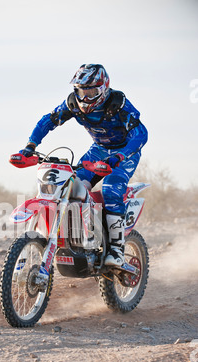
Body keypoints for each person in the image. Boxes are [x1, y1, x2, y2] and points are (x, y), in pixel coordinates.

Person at [20, 64, 148, 267]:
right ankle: (79, 235)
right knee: (71, 186)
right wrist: (30, 146)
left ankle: (116, 249)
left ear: (104, 88)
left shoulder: (118, 104)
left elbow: (141, 135)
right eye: (81, 91)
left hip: (124, 152)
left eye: (92, 91)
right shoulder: (72, 104)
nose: (86, 97)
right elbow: (48, 121)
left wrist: (120, 157)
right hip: (98, 149)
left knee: (110, 189)